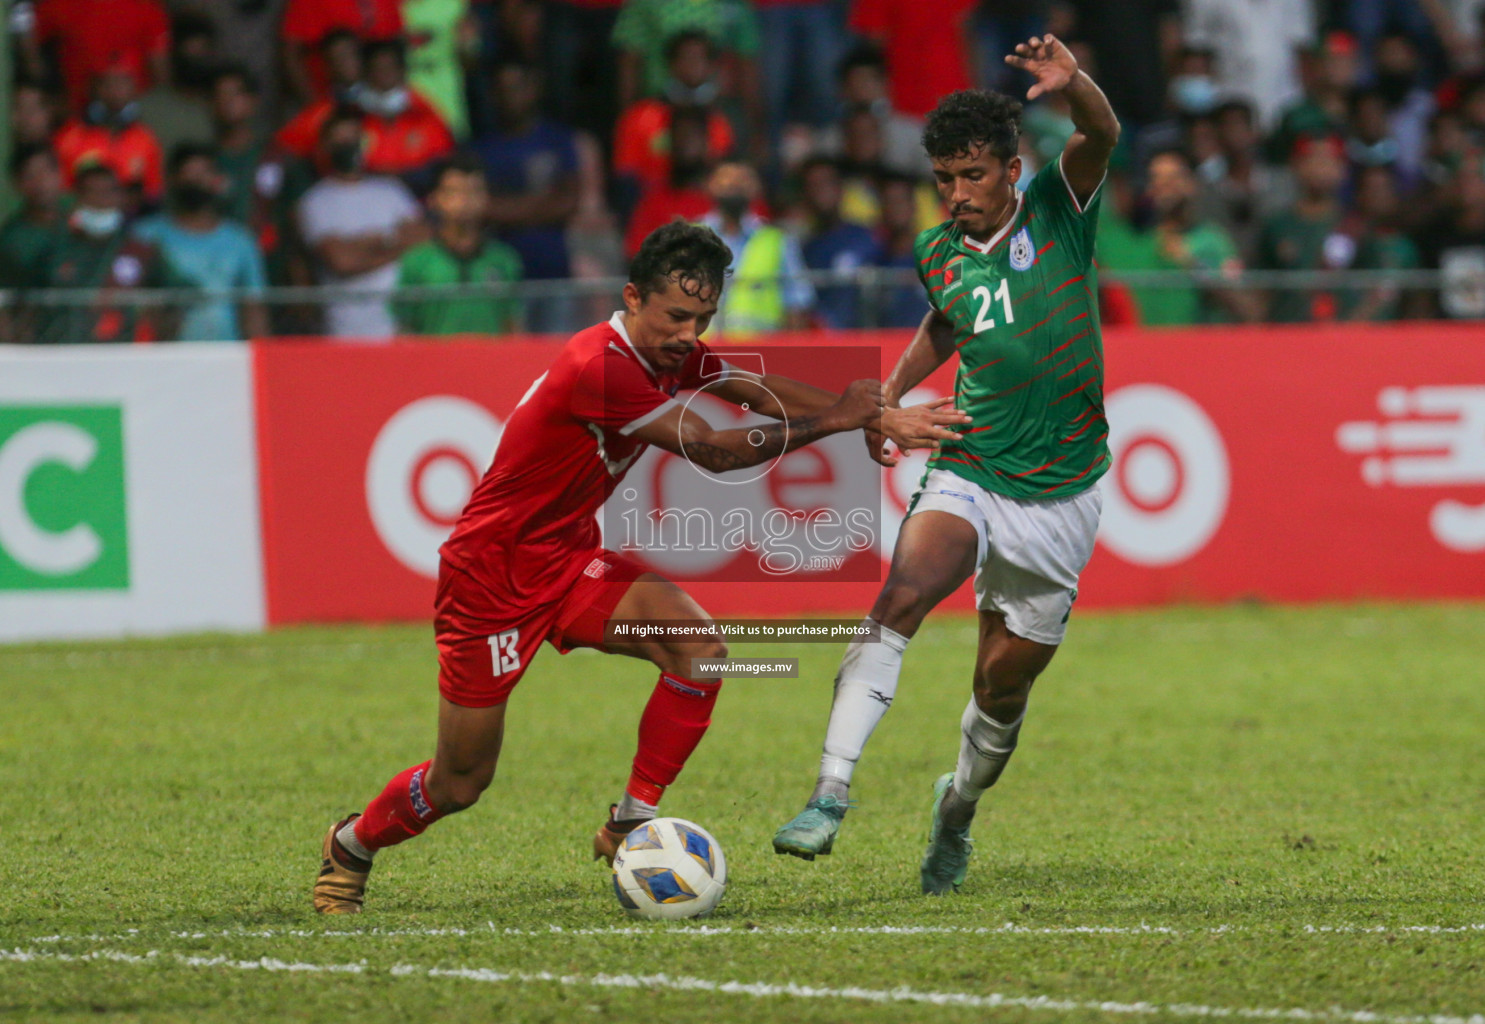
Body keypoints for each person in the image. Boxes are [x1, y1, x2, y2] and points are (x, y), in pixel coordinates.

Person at [311, 221, 952, 914]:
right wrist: (837, 420)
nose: (688, 332)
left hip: (569, 559)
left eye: (702, 318)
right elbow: (712, 449)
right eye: (677, 316)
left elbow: (752, 390)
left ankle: (628, 824)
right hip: (490, 579)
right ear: (631, 297)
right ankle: (351, 845)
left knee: (700, 651)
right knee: (461, 782)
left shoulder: (670, 352)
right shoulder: (602, 365)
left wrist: (871, 417)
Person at [772, 34, 1120, 896]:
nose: (956, 195)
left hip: (1062, 491)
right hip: (970, 460)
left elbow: (1102, 136)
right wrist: (886, 401)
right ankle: (828, 793)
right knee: (900, 597)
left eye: (970, 176)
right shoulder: (937, 252)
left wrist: (1073, 83)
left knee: (1000, 686)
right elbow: (944, 321)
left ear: (1009, 169)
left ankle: (956, 809)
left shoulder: (1055, 209)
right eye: (942, 180)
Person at [297, 107, 427, 339]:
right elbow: (342, 261)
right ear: (325, 145)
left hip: (403, 328)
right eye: (341, 138)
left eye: (355, 137)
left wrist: (367, 244)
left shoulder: (391, 190)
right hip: (348, 329)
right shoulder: (315, 201)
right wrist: (396, 243)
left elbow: (424, 239)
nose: (350, 143)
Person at [474, 61, 580, 332]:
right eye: (502, 89)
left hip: (553, 272)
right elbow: (479, 207)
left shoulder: (558, 140)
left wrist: (504, 210)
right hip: (500, 276)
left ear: (533, 90)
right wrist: (541, 205)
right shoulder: (482, 148)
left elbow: (567, 203)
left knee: (555, 365)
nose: (511, 95)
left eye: (517, 87)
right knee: (506, 364)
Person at [1098, 148, 1255, 325]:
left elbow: (1248, 309)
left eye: (1173, 177)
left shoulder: (1212, 240)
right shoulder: (1135, 243)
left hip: (1195, 348)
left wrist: (1194, 265)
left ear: (1192, 184)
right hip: (1144, 348)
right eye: (1156, 178)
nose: (1164, 185)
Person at [133, 143, 269, 341]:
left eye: (203, 172)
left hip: (225, 357)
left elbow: (253, 308)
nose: (196, 180)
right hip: (162, 357)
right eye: (188, 172)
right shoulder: (145, 234)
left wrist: (260, 356)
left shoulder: (240, 240)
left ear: (217, 180)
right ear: (172, 179)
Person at [33, 163, 168, 344]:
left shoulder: (139, 250)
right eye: (91, 192)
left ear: (121, 197)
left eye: (108, 192)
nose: (100, 200)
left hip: (122, 356)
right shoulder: (54, 247)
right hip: (61, 353)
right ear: (77, 198)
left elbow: (180, 292)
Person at [394, 154, 524, 334]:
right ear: (434, 199)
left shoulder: (504, 259)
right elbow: (405, 330)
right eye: (454, 191)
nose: (465, 200)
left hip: (491, 362)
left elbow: (513, 327)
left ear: (486, 198)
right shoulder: (416, 261)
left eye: (474, 191)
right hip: (435, 362)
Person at [701, 161, 814, 333]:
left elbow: (796, 305)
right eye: (727, 178)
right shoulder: (687, 238)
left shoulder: (778, 241)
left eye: (743, 179)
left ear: (757, 188)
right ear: (710, 184)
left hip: (760, 352)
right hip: (699, 353)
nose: (734, 183)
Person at [53, 65, 165, 206]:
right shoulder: (69, 136)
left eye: (122, 83)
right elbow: (59, 192)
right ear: (94, 89)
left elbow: (153, 193)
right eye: (107, 84)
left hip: (130, 219)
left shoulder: (146, 138)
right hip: (78, 216)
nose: (115, 90)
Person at [797, 156, 880, 328]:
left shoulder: (866, 238)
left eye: (826, 183)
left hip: (867, 340)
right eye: (813, 185)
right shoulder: (805, 249)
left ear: (840, 189)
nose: (820, 191)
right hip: (826, 344)